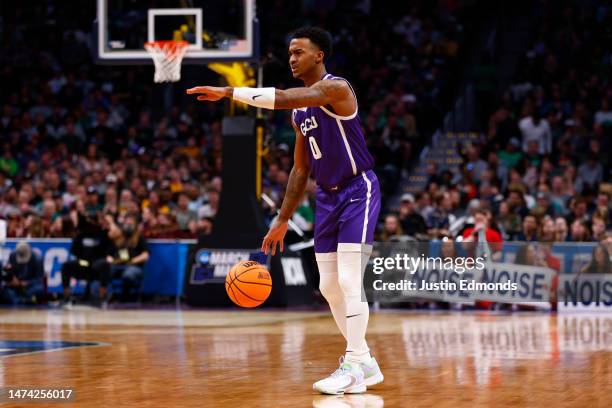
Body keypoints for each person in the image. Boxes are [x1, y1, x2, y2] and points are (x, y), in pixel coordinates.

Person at [187, 26, 383, 395]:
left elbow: (286, 98)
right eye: (289, 53)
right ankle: (366, 361)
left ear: (319, 55)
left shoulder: (335, 88)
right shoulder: (300, 116)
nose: (291, 58)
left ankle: (355, 362)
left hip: (359, 189)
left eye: (299, 52)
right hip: (326, 196)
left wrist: (230, 91)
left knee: (347, 280)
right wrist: (281, 218)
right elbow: (300, 169)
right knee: (327, 285)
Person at [61, 213, 112, 306]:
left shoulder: (103, 234)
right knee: (66, 265)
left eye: (92, 221)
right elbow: (74, 251)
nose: (90, 223)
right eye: (88, 221)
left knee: (105, 264)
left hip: (96, 264)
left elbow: (108, 250)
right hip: (83, 263)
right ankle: (67, 296)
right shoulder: (81, 235)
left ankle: (102, 297)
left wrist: (106, 224)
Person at [106, 214, 149, 301]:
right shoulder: (118, 237)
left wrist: (133, 261)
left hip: (134, 266)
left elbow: (145, 255)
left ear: (135, 225)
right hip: (118, 264)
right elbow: (109, 254)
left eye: (131, 224)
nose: (128, 226)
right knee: (106, 270)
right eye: (126, 223)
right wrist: (110, 259)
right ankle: (106, 295)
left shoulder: (139, 237)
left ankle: (126, 296)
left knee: (128, 275)